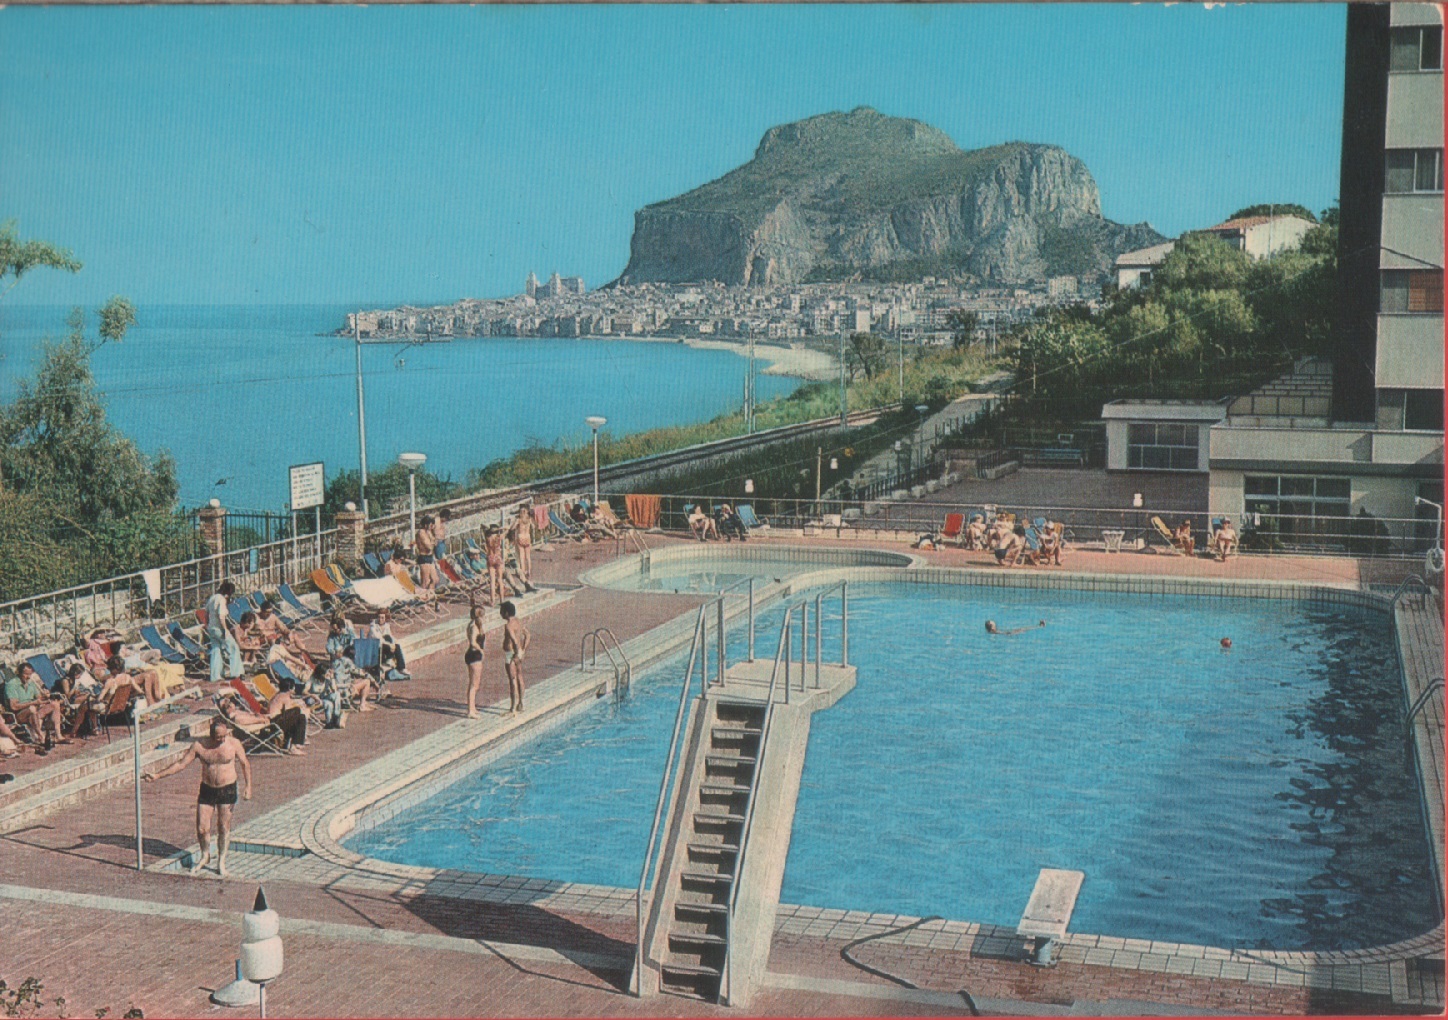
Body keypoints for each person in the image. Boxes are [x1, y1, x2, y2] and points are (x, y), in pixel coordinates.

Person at [143, 715, 252, 877]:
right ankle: (205, 855)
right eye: (218, 737)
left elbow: (245, 763)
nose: (222, 740)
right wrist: (158, 775)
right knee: (202, 828)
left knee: (223, 827)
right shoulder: (199, 746)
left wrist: (248, 787)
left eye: (224, 736)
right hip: (207, 789)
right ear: (211, 735)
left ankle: (221, 861)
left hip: (227, 789)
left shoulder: (233, 744)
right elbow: (181, 764)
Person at [3, 662, 67, 747]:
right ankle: (41, 736)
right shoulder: (12, 684)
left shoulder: (31, 683)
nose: (28, 677)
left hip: (34, 710)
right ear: (19, 673)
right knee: (32, 709)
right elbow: (14, 706)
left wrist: (45, 696)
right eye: (26, 674)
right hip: (19, 714)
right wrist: (33, 703)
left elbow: (39, 698)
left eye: (30, 674)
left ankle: (58, 735)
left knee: (55, 704)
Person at [203, 581, 244, 684]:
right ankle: (237, 673)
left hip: (211, 628)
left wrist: (208, 625)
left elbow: (206, 613)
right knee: (233, 647)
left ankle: (215, 676)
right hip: (219, 629)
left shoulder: (212, 598)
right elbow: (221, 616)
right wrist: (225, 630)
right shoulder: (221, 600)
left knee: (216, 650)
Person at [500, 601, 530, 715]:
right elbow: (528, 635)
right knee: (520, 677)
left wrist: (517, 652)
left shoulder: (508, 625)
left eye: (501, 611)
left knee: (512, 680)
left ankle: (512, 708)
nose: (500, 613)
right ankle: (521, 704)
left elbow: (513, 640)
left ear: (506, 613)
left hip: (511, 654)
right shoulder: (519, 621)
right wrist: (523, 650)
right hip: (519, 652)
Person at [365, 608, 408, 680]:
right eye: (379, 617)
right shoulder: (373, 626)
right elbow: (378, 638)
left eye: (382, 618)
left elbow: (390, 636)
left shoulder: (386, 626)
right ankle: (388, 660)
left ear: (385, 618)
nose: (380, 619)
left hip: (383, 646)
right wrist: (389, 645)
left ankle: (401, 668)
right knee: (387, 641)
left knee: (396, 645)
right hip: (374, 647)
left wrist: (394, 643)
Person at [464, 604, 486, 719]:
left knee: (475, 684)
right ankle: (470, 711)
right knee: (473, 684)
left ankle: (472, 707)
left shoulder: (474, 625)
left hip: (473, 655)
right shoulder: (474, 627)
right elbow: (473, 642)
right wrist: (481, 650)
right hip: (474, 655)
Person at [508, 505, 536, 587]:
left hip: (520, 537)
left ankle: (523, 572)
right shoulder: (529, 519)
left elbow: (512, 528)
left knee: (521, 556)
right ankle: (529, 571)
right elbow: (533, 527)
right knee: (528, 557)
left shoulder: (519, 520)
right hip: (527, 537)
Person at [414, 515, 439, 591]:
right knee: (425, 582)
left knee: (435, 580)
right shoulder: (421, 533)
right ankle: (423, 595)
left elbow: (435, 543)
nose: (432, 527)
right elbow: (429, 547)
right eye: (430, 525)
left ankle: (430, 594)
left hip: (430, 557)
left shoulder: (428, 532)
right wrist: (433, 542)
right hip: (424, 558)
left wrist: (432, 540)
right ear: (426, 525)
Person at [484, 527, 506, 605]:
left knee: (492, 581)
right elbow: (508, 529)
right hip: (497, 557)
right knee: (500, 580)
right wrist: (501, 528)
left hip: (490, 557)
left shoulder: (487, 538)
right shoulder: (498, 537)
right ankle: (502, 600)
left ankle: (492, 601)